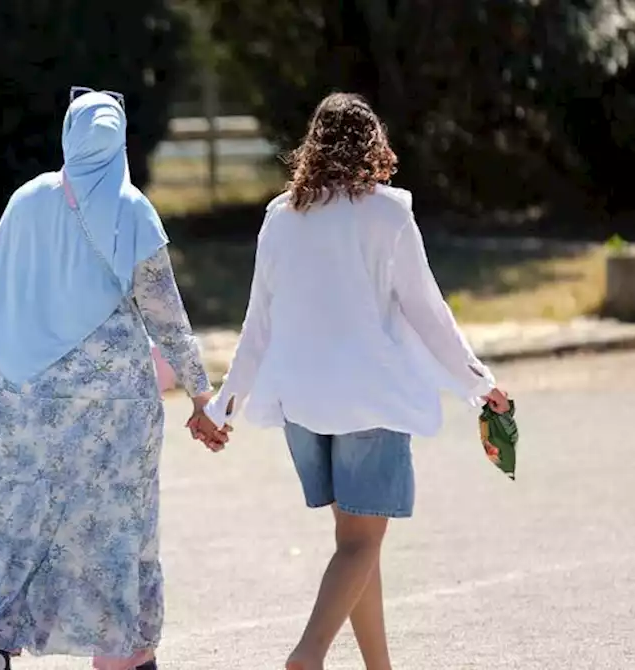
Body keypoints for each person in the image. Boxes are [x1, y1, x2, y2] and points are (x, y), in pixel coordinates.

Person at [0, 90, 226, 670]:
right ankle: (124, 652)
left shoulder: (27, 201)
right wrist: (201, 393)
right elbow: (165, 314)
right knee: (111, 531)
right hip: (115, 410)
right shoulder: (132, 210)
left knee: (18, 522)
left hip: (25, 396)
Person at [202, 93, 511, 670]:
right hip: (371, 401)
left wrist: (223, 408)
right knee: (360, 543)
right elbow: (427, 311)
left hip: (302, 406)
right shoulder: (389, 214)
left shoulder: (279, 216)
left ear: (312, 148)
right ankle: (309, 653)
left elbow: (258, 326)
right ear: (374, 145)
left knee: (354, 543)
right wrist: (478, 382)